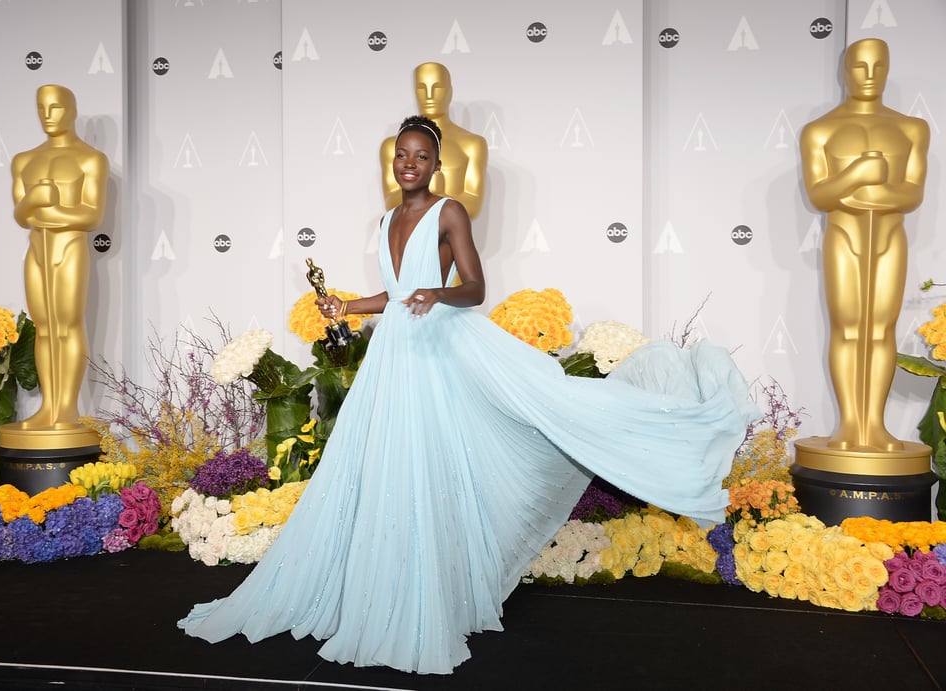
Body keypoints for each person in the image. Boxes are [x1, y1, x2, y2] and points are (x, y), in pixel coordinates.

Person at [179, 115, 757, 674]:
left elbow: (475, 288)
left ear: (435, 164)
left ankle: (432, 596)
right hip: (393, 359)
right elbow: (395, 294)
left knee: (439, 461)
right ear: (393, 162)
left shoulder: (448, 211)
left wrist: (438, 292)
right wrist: (348, 307)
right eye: (401, 155)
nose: (410, 164)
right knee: (384, 467)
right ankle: (384, 589)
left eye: (421, 156)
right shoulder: (383, 221)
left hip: (437, 355)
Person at [799, 38, 930, 452]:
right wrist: (860, 171)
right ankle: (848, 427)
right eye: (860, 67)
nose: (869, 76)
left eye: (878, 66)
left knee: (880, 329)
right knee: (848, 327)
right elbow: (821, 196)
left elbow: (911, 195)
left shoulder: (911, 128)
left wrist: (859, 196)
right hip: (844, 236)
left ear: (888, 68)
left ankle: (874, 425)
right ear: (844, 70)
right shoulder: (821, 130)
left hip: (889, 236)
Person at [10, 84, 107, 431]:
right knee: (44, 327)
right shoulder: (24, 160)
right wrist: (35, 197)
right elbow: (22, 215)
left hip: (68, 247)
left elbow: (92, 215)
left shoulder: (90, 159)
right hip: (37, 248)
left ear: (72, 110)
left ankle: (67, 409)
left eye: (56, 108)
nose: (48, 116)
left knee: (67, 323)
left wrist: (48, 213)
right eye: (42, 109)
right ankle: (48, 407)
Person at [380, 62, 488, 221]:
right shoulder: (391, 147)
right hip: (407, 238)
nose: (429, 95)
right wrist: (431, 199)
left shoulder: (472, 145)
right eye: (421, 88)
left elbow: (473, 203)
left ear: (450, 92)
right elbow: (391, 200)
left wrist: (433, 200)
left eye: (437, 87)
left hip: (450, 239)